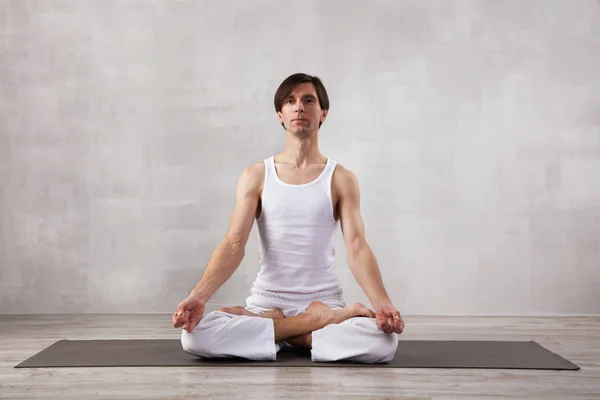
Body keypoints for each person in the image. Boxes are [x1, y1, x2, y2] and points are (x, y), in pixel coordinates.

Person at [172, 73, 405, 363]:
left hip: (323, 299)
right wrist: (199, 297)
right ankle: (313, 328)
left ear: (323, 113)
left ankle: (279, 331)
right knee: (195, 336)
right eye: (290, 101)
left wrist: (382, 304)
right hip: (267, 303)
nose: (299, 107)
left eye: (308, 100)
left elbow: (357, 247)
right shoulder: (256, 175)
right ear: (280, 115)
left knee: (383, 344)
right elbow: (234, 243)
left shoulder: (341, 179)